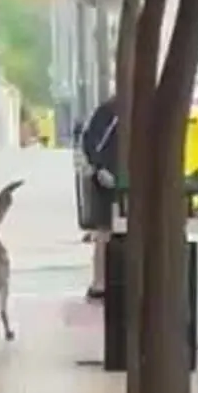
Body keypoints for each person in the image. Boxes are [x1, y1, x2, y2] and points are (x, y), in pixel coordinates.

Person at [81, 96, 118, 301]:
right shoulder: (109, 111)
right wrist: (100, 167)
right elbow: (90, 142)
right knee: (104, 231)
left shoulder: (150, 107)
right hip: (106, 181)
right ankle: (100, 282)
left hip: (134, 179)